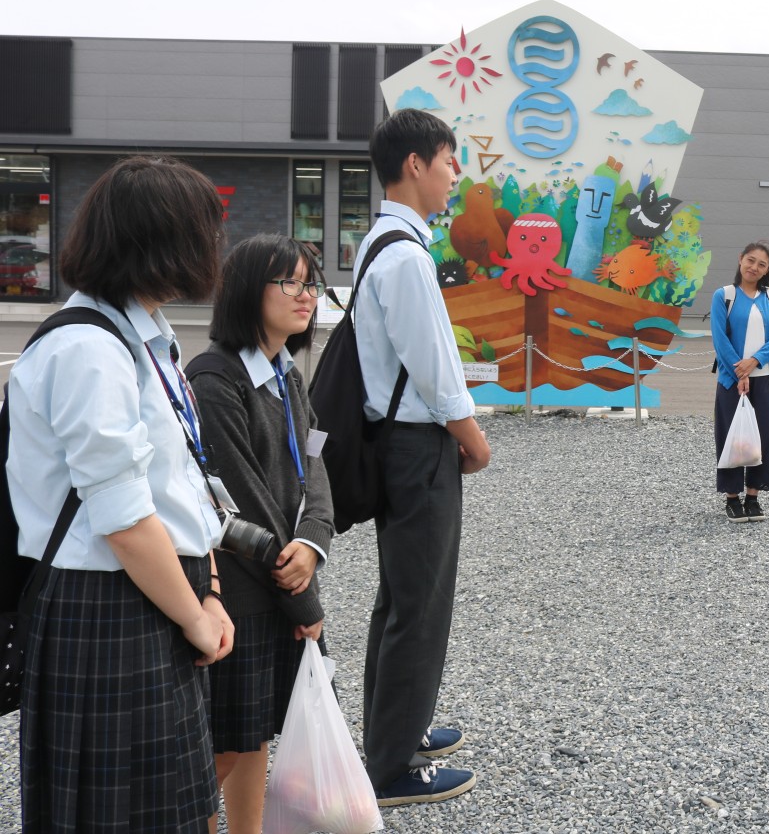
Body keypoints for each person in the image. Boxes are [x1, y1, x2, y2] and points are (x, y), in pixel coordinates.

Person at [8, 156, 233, 831]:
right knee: (123, 817)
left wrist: (211, 590)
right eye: (204, 231)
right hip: (108, 606)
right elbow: (124, 517)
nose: (213, 249)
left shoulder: (145, 341)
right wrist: (195, 616)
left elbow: (182, 486)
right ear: (163, 240)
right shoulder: (89, 348)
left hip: (151, 597)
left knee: (160, 813)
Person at [357, 109, 492, 805]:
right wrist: (471, 437)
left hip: (396, 444)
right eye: (448, 162)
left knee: (401, 599)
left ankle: (392, 735)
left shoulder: (380, 243)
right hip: (419, 447)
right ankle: (389, 769)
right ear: (415, 164)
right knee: (421, 606)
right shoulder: (406, 255)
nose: (453, 177)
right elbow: (434, 366)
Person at [186, 234, 334, 834]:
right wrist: (301, 593)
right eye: (290, 283)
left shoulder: (285, 371)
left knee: (255, 736)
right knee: (220, 747)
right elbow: (238, 502)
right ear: (251, 290)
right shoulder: (216, 379)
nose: (306, 296)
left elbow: (316, 460)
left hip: (283, 582)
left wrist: (316, 539)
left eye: (311, 283)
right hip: (242, 593)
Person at [711, 240, 769, 523]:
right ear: (741, 259)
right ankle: (732, 498)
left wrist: (754, 361)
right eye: (751, 260)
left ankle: (753, 495)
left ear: (767, 269)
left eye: (762, 264)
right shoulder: (724, 295)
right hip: (732, 381)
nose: (754, 267)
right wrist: (740, 374)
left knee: (765, 438)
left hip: (767, 379)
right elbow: (720, 339)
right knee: (732, 437)